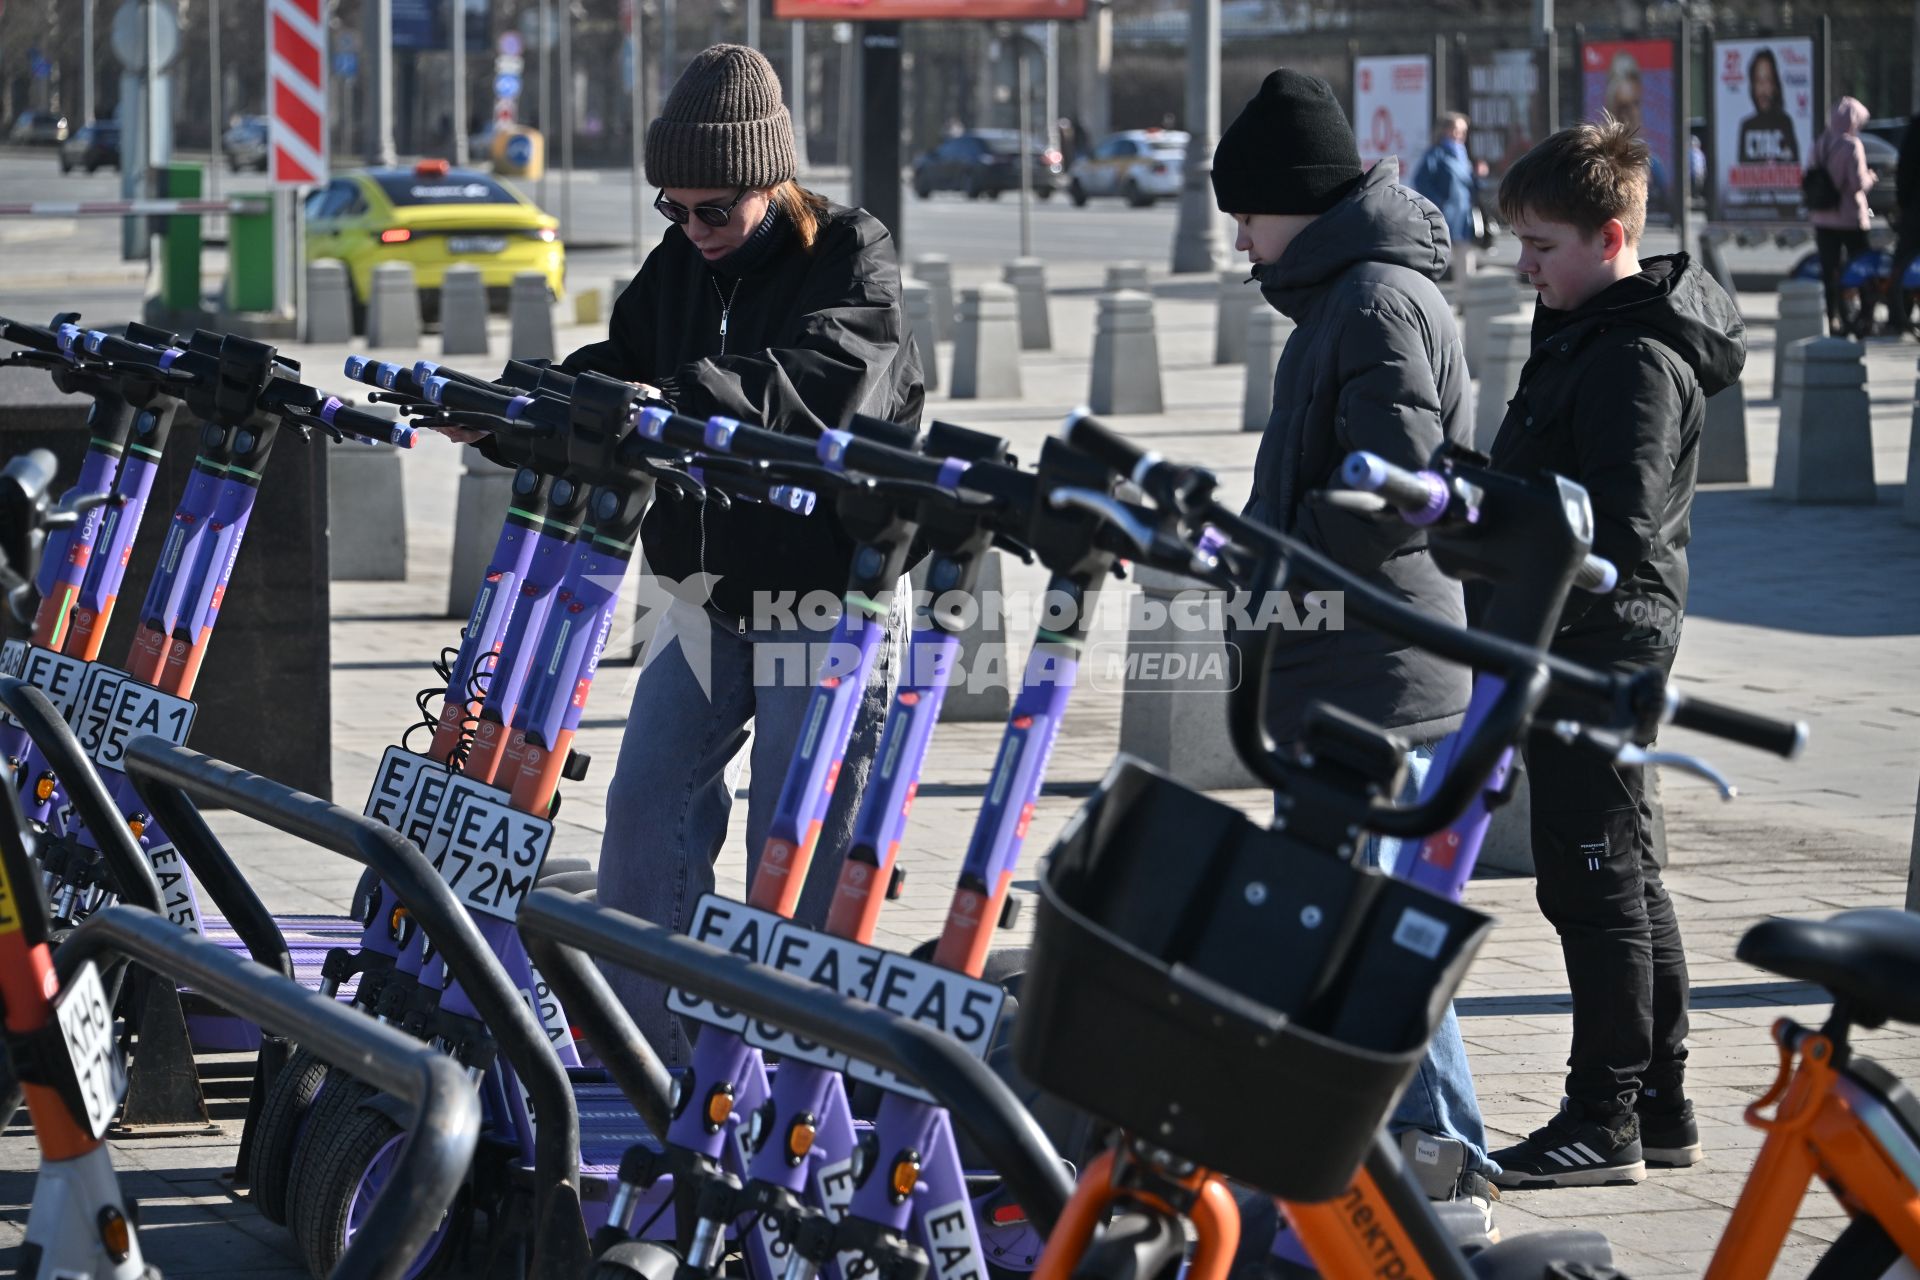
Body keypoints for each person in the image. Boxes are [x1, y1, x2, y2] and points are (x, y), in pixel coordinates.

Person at [561, 44, 921, 1062]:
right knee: (640, 819)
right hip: (709, 599)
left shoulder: (851, 253)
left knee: (791, 850)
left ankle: (785, 1076)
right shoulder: (683, 261)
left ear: (771, 180)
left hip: (826, 602)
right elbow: (625, 363)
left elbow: (826, 376)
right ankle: (656, 1062)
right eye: (671, 208)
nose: (690, 228)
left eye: (711, 208)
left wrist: (678, 402)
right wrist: (532, 402)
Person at [1209, 68, 1496, 1231]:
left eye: (1249, 213)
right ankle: (1416, 1151)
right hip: (1358, 653)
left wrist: (1283, 543)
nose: (1239, 236)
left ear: (1300, 200)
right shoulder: (1352, 292)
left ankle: (1437, 1159)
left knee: (1360, 924)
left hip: (1375, 661)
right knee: (1368, 920)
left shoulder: (1372, 300)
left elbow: (1403, 485)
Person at [1481, 120, 1745, 1188]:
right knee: (1626, 873)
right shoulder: (1592, 327)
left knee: (1593, 885)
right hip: (1581, 635)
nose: (1523, 265)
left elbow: (1616, 524)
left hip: (1594, 643)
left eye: (1542, 245)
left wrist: (1505, 523)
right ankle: (1663, 1102)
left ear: (1612, 235)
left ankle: (1606, 1115)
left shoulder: (1633, 355)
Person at [1809, 97, 1878, 336]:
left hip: (1823, 218)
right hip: (1850, 219)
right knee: (1863, 268)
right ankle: (1865, 318)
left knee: (1831, 271)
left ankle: (1835, 319)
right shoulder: (1852, 145)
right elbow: (1857, 183)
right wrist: (1871, 177)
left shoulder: (1820, 142)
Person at [1411, 113, 1478, 286]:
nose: (1461, 135)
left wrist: (1478, 176)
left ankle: (1466, 301)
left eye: (1464, 131)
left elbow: (1469, 185)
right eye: (1457, 130)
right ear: (1446, 130)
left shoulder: (1462, 155)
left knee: (1466, 260)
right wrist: (1438, 203)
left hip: (1464, 217)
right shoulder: (1436, 153)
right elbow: (1421, 181)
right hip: (1445, 216)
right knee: (1438, 260)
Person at [1736, 48, 1800, 167]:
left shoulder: (1785, 123)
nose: (1763, 90)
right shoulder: (1747, 126)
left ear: (1775, 86)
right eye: (1758, 81)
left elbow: (1795, 165)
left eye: (1767, 81)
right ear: (1752, 86)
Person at [1891, 111, 1920, 334]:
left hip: (1916, 207)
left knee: (1903, 260)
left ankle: (1898, 317)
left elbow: (1906, 167)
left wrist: (1903, 202)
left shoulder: (1917, 125)